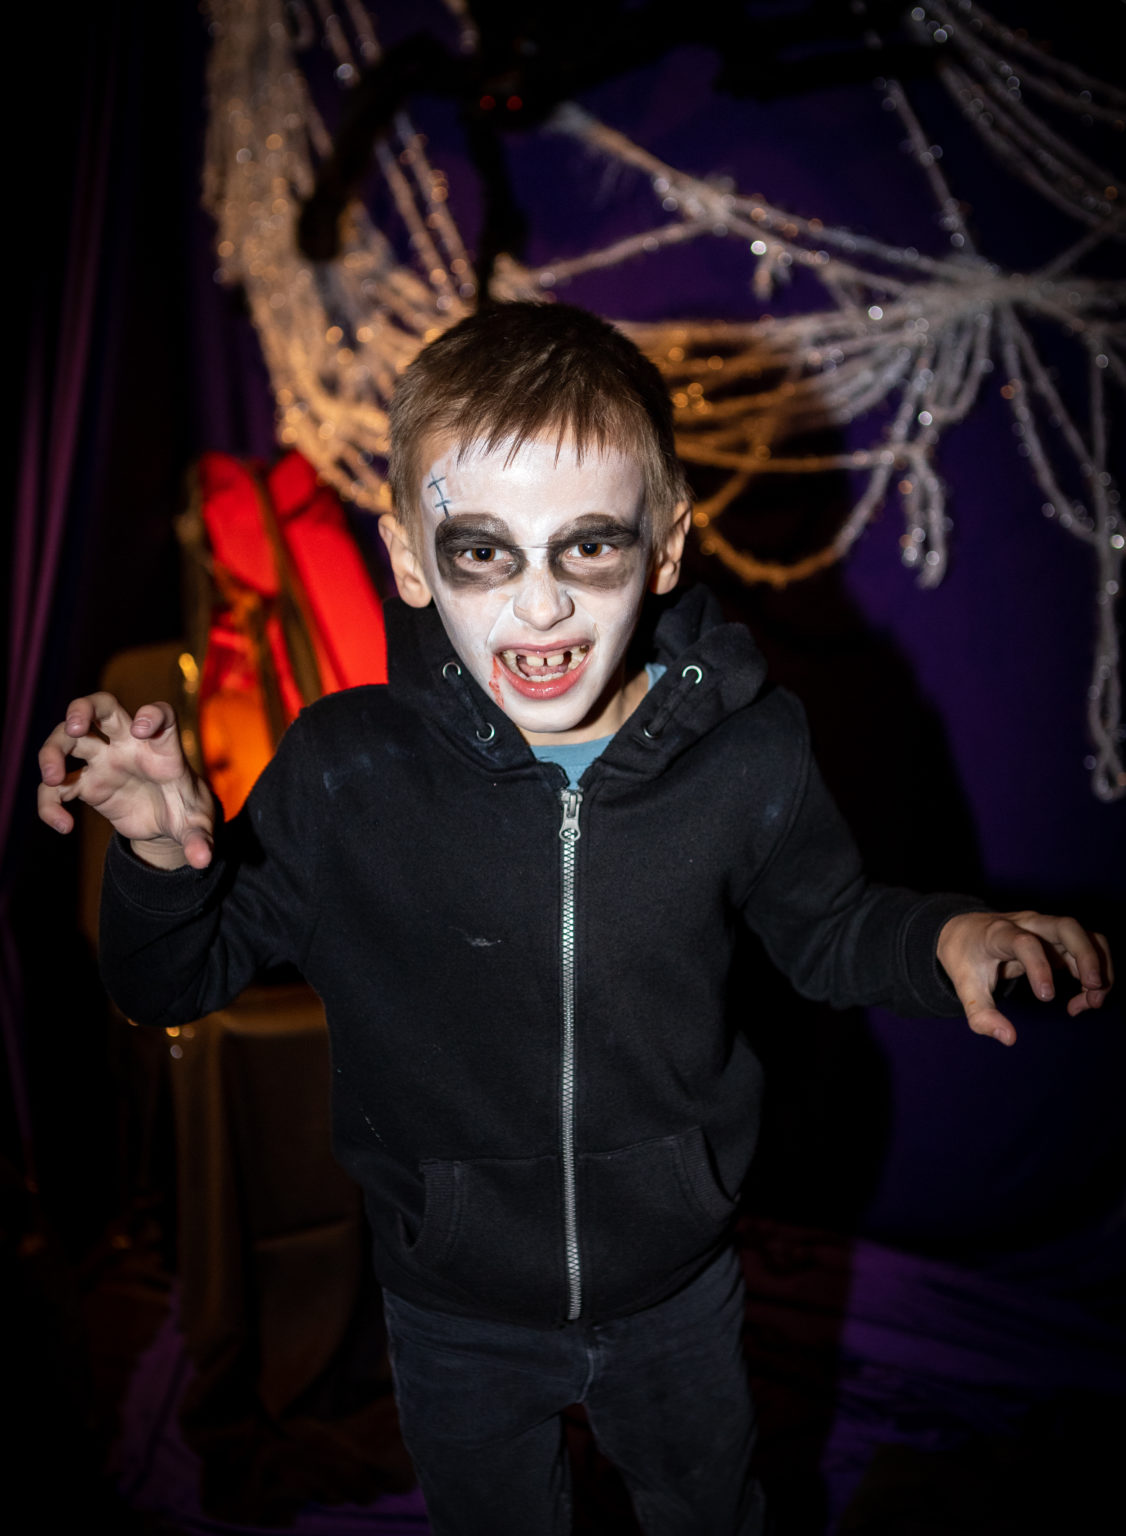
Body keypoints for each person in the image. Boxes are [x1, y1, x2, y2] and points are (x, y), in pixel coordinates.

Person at [39, 302, 1112, 1536]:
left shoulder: (746, 752)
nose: (539, 606)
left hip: (678, 1292)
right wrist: (161, 858)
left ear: (664, 549)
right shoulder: (344, 772)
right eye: (481, 553)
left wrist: (946, 941)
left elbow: (830, 927)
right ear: (409, 559)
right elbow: (169, 983)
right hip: (452, 1307)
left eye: (588, 547)